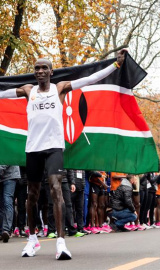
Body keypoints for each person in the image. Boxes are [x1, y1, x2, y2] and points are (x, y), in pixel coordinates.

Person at [0, 50, 126, 259]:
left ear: (51, 71)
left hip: (54, 148)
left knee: (56, 189)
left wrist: (116, 65)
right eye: (37, 68)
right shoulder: (27, 90)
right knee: (32, 196)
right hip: (33, 149)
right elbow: (2, 93)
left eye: (44, 68)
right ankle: (32, 240)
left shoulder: (60, 88)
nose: (40, 71)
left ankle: (61, 243)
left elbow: (90, 79)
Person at [0, 166, 21, 242]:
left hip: (10, 175)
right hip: (2, 175)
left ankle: (6, 230)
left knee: (7, 200)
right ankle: (1, 231)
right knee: (2, 204)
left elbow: (8, 158)